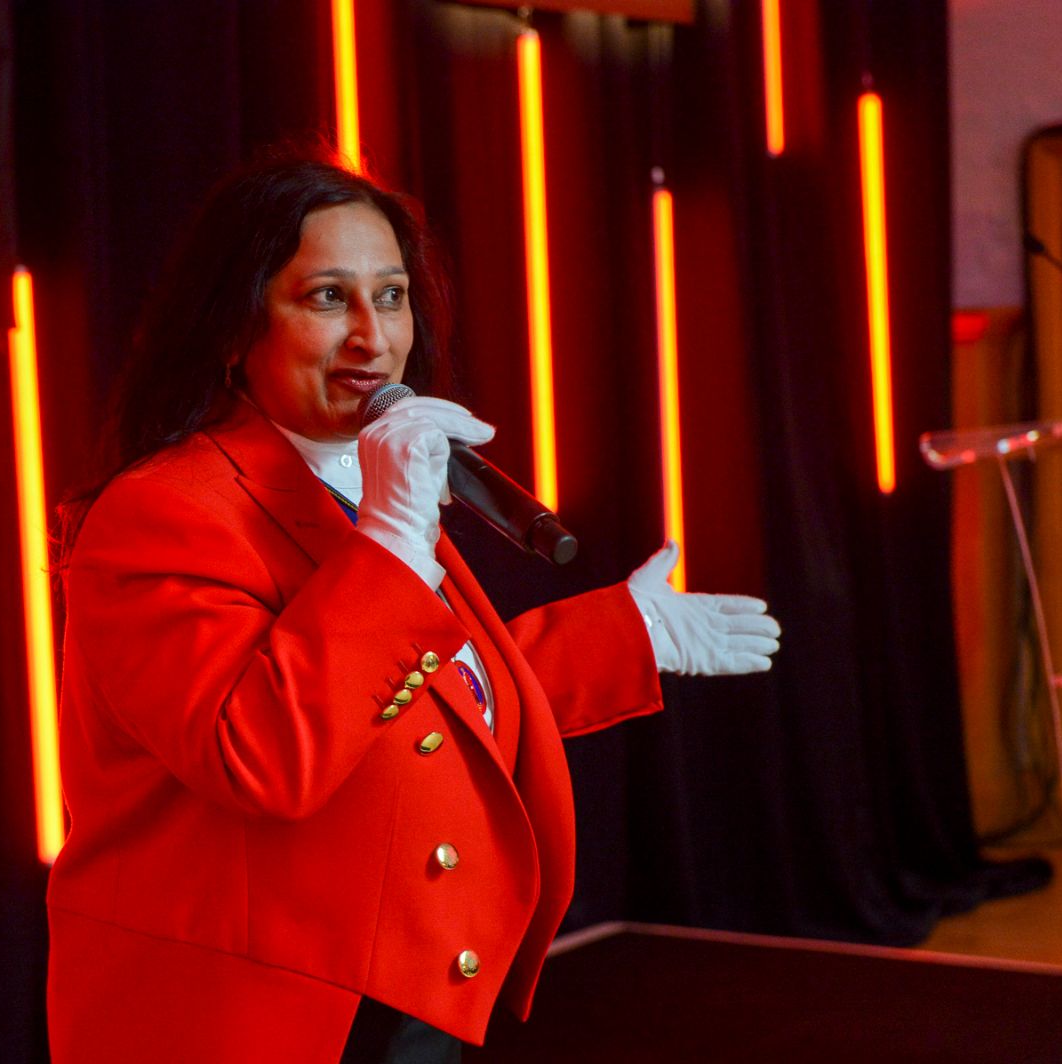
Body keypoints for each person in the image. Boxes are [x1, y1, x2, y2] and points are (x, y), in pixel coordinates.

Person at [45, 147, 780, 1064]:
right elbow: (265, 753)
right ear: (234, 326)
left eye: (390, 297)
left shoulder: (362, 482)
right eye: (327, 298)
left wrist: (625, 632)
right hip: (252, 1012)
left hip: (403, 992)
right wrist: (392, 542)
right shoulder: (165, 510)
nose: (373, 337)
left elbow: (416, 704)